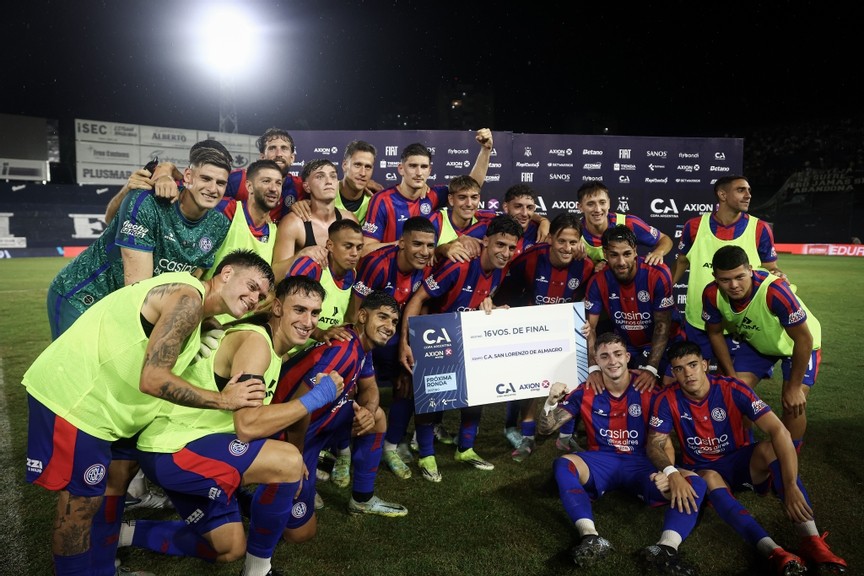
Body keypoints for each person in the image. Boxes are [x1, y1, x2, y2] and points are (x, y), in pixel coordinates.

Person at [23, 250, 274, 575]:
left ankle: (104, 569)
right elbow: (153, 379)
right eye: (252, 286)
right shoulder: (188, 300)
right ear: (226, 273)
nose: (254, 298)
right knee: (80, 506)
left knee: (117, 477)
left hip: (110, 408)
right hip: (77, 399)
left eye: (261, 296)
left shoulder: (196, 309)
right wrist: (223, 400)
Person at [122, 275, 344, 576]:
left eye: (315, 313)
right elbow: (247, 426)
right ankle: (258, 572)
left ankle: (120, 534)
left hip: (191, 446)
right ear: (278, 308)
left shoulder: (274, 349)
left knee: (227, 547)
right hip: (173, 448)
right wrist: (316, 398)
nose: (308, 321)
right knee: (287, 461)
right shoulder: (256, 343)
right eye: (299, 310)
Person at [647, 341, 846, 575]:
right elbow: (655, 443)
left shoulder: (732, 388)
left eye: (692, 365)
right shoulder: (666, 398)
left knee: (770, 449)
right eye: (679, 369)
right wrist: (671, 472)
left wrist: (791, 485)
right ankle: (774, 551)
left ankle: (812, 540)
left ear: (705, 365)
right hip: (703, 468)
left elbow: (778, 430)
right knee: (709, 477)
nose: (688, 373)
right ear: (673, 372)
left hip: (740, 462)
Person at [537, 333, 706, 574]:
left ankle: (666, 548)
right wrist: (551, 401)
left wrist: (666, 471)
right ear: (597, 361)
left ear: (627, 357)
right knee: (563, 464)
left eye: (617, 354)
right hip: (602, 461)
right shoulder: (586, 390)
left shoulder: (649, 389)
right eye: (605, 356)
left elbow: (663, 440)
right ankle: (590, 536)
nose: (612, 361)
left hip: (642, 463)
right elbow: (546, 429)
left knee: (694, 483)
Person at [47, 143, 233, 339]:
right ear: (188, 176)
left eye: (220, 183)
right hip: (84, 297)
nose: (213, 189)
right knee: (75, 359)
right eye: (205, 179)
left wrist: (199, 318)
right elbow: (138, 290)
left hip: (123, 310)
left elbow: (190, 280)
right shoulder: (147, 201)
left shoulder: (219, 225)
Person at [274, 291, 408, 543]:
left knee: (377, 417)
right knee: (300, 534)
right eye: (382, 317)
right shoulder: (343, 349)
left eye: (394, 321)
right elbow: (298, 408)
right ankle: (254, 489)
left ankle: (362, 500)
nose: (390, 327)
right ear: (362, 316)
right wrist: (296, 459)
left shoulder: (362, 345)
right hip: (290, 434)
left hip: (319, 423)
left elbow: (370, 388)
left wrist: (367, 411)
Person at [399, 214, 523, 480]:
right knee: (432, 398)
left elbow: (480, 297)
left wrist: (489, 304)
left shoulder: (501, 269)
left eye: (511, 247)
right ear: (486, 241)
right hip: (435, 339)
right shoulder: (460, 265)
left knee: (476, 393)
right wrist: (406, 342)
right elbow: (418, 298)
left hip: (466, 337)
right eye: (500, 245)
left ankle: (465, 449)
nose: (505, 253)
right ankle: (426, 454)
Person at [495, 212, 595, 460]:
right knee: (529, 385)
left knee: (571, 382)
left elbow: (590, 300)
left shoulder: (586, 266)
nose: (567, 248)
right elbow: (505, 292)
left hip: (565, 332)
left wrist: (588, 323)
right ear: (550, 238)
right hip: (531, 331)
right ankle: (528, 437)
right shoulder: (529, 258)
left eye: (573, 242)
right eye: (562, 241)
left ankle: (565, 437)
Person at [347, 216, 437, 479]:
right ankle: (342, 449)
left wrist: (406, 346)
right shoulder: (378, 264)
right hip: (367, 336)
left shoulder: (427, 267)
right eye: (417, 244)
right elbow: (356, 311)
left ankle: (390, 446)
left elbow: (421, 307)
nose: (424, 252)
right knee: (353, 387)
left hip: (397, 335)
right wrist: (357, 353)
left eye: (430, 245)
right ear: (401, 243)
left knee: (409, 377)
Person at [703, 245, 821, 441]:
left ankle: (788, 455)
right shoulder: (711, 293)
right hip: (759, 343)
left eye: (740, 277)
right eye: (725, 280)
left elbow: (803, 339)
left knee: (792, 403)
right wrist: (731, 377)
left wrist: (794, 387)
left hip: (796, 345)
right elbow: (714, 333)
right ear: (715, 277)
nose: (734, 285)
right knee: (735, 394)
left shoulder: (774, 291)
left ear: (750, 270)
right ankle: (745, 448)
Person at [672, 175, 783, 360]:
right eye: (741, 190)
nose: (748, 195)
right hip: (699, 319)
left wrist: (778, 274)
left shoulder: (760, 228)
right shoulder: (694, 226)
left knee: (732, 376)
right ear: (722, 195)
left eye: (749, 191)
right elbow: (682, 262)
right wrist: (663, 289)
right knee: (698, 374)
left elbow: (771, 267)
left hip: (743, 321)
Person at [361, 129, 494, 256]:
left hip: (422, 270)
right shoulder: (382, 200)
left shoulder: (433, 194)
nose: (419, 173)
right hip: (389, 269)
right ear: (401, 169)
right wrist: (405, 245)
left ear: (429, 170)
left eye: (423, 167)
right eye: (413, 166)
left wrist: (485, 150)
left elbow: (469, 187)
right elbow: (366, 249)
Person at [584, 225, 683, 390]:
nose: (621, 262)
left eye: (627, 254)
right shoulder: (597, 281)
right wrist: (593, 368)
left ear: (635, 251)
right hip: (628, 346)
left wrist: (651, 369)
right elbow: (590, 328)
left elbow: (662, 325)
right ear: (605, 254)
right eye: (614, 255)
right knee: (616, 386)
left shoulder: (657, 274)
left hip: (668, 342)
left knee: (670, 386)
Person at [271, 159, 358, 279]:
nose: (329, 181)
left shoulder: (350, 219)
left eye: (333, 176)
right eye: (320, 177)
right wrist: (301, 255)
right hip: (304, 289)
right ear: (307, 187)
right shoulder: (294, 223)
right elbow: (275, 275)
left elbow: (356, 269)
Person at [576, 181, 672, 266]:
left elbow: (664, 239)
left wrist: (658, 252)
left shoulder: (629, 222)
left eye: (602, 202)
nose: (597, 209)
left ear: (609, 203)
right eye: (590, 204)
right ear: (580, 207)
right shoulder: (575, 232)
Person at [222, 127, 305, 223]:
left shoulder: (301, 186)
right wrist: (252, 215)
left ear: (292, 158)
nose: (279, 154)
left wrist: (309, 203)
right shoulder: (237, 180)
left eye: (284, 148)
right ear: (262, 157)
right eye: (272, 148)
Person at [291, 140, 382, 224]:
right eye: (357, 165)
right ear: (344, 165)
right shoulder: (324, 192)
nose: (363, 173)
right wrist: (299, 206)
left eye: (368, 167)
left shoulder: (376, 201)